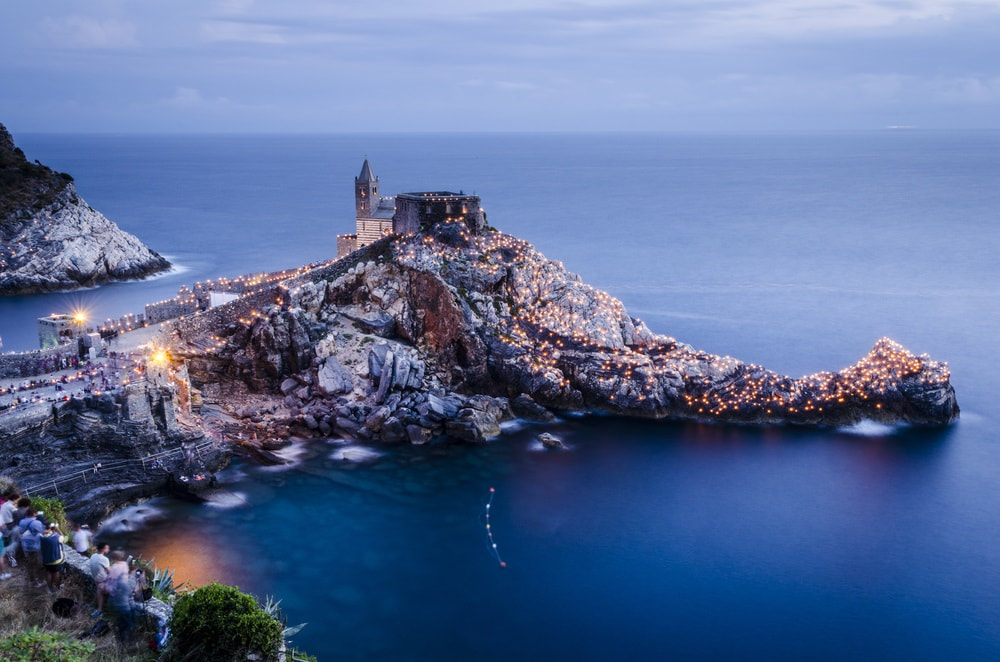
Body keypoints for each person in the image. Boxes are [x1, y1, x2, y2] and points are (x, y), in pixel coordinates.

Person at [17, 507, 45, 587]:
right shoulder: (36, 523)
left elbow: (21, 531)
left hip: (25, 545)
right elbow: (42, 532)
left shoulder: (22, 521)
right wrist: (41, 519)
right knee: (38, 564)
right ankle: (39, 581)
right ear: (33, 514)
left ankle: (32, 580)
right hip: (34, 545)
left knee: (30, 564)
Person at [39, 522, 65, 592]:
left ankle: (49, 588)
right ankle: (57, 588)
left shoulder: (41, 536)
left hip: (46, 559)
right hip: (56, 559)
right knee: (56, 572)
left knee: (48, 572)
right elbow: (64, 539)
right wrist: (57, 529)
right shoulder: (56, 537)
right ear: (50, 528)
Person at [89, 543, 111, 616]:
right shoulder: (104, 559)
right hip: (103, 581)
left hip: (96, 579)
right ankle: (99, 610)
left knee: (98, 590)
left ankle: (93, 605)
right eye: (107, 548)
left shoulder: (93, 555)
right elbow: (109, 572)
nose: (108, 550)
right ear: (103, 549)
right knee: (100, 591)